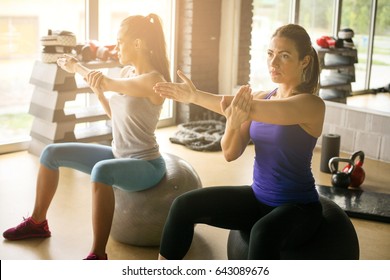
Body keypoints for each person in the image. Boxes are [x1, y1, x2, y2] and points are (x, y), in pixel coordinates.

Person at [3, 13, 171, 260]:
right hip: (119, 153)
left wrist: (76, 67)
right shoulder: (126, 73)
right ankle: (38, 223)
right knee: (50, 153)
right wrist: (99, 94)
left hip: (146, 164)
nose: (116, 46)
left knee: (101, 171)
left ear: (138, 43)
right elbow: (116, 114)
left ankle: (98, 254)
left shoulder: (154, 80)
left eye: (120, 40)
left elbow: (106, 82)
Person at [153, 23, 325, 260]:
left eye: (284, 56)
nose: (273, 63)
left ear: (304, 61)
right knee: (183, 206)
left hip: (298, 209)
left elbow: (246, 107)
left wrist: (198, 97)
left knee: (263, 232)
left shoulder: (311, 105)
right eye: (270, 54)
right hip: (258, 197)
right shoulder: (262, 97)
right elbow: (230, 152)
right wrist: (226, 119)